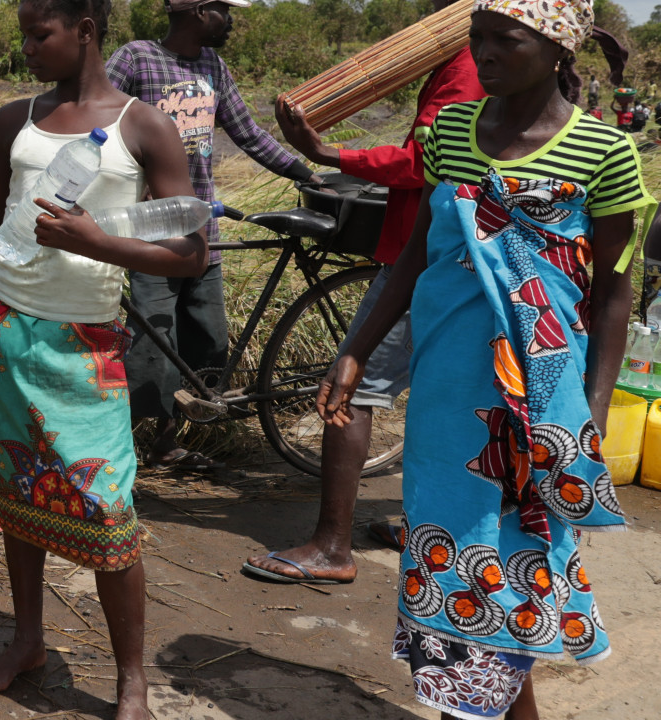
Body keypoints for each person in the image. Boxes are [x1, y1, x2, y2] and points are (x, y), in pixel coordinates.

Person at [317, 0, 653, 716]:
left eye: (505, 40)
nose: (484, 55)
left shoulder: (604, 152)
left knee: (517, 563)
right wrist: (356, 350)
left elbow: (616, 295)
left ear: (557, 48)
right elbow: (414, 259)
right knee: (449, 549)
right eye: (476, 40)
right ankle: (468, 707)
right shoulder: (449, 136)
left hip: (540, 403)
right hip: (446, 392)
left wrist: (588, 419)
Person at [0, 0, 206, 714]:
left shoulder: (142, 126)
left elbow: (190, 251)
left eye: (41, 34)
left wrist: (98, 245)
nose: (27, 47)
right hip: (4, 325)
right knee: (18, 486)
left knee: (107, 506)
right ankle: (27, 637)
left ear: (85, 30)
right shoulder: (14, 119)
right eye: (23, 34)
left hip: (83, 339)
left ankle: (130, 681)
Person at [241, 0, 485, 585]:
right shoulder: (467, 59)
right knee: (445, 390)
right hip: (438, 252)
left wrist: (328, 152)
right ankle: (437, 525)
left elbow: (424, 162)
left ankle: (331, 548)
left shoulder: (472, 65)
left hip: (426, 256)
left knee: (354, 386)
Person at [104, 0, 320, 470]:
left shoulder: (213, 67)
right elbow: (96, 123)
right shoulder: (136, 58)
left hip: (202, 229)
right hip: (147, 230)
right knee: (153, 340)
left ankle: (174, 440)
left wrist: (307, 172)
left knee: (204, 339)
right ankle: (141, 448)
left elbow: (249, 134)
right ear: (200, 10)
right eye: (225, 9)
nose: (232, 19)